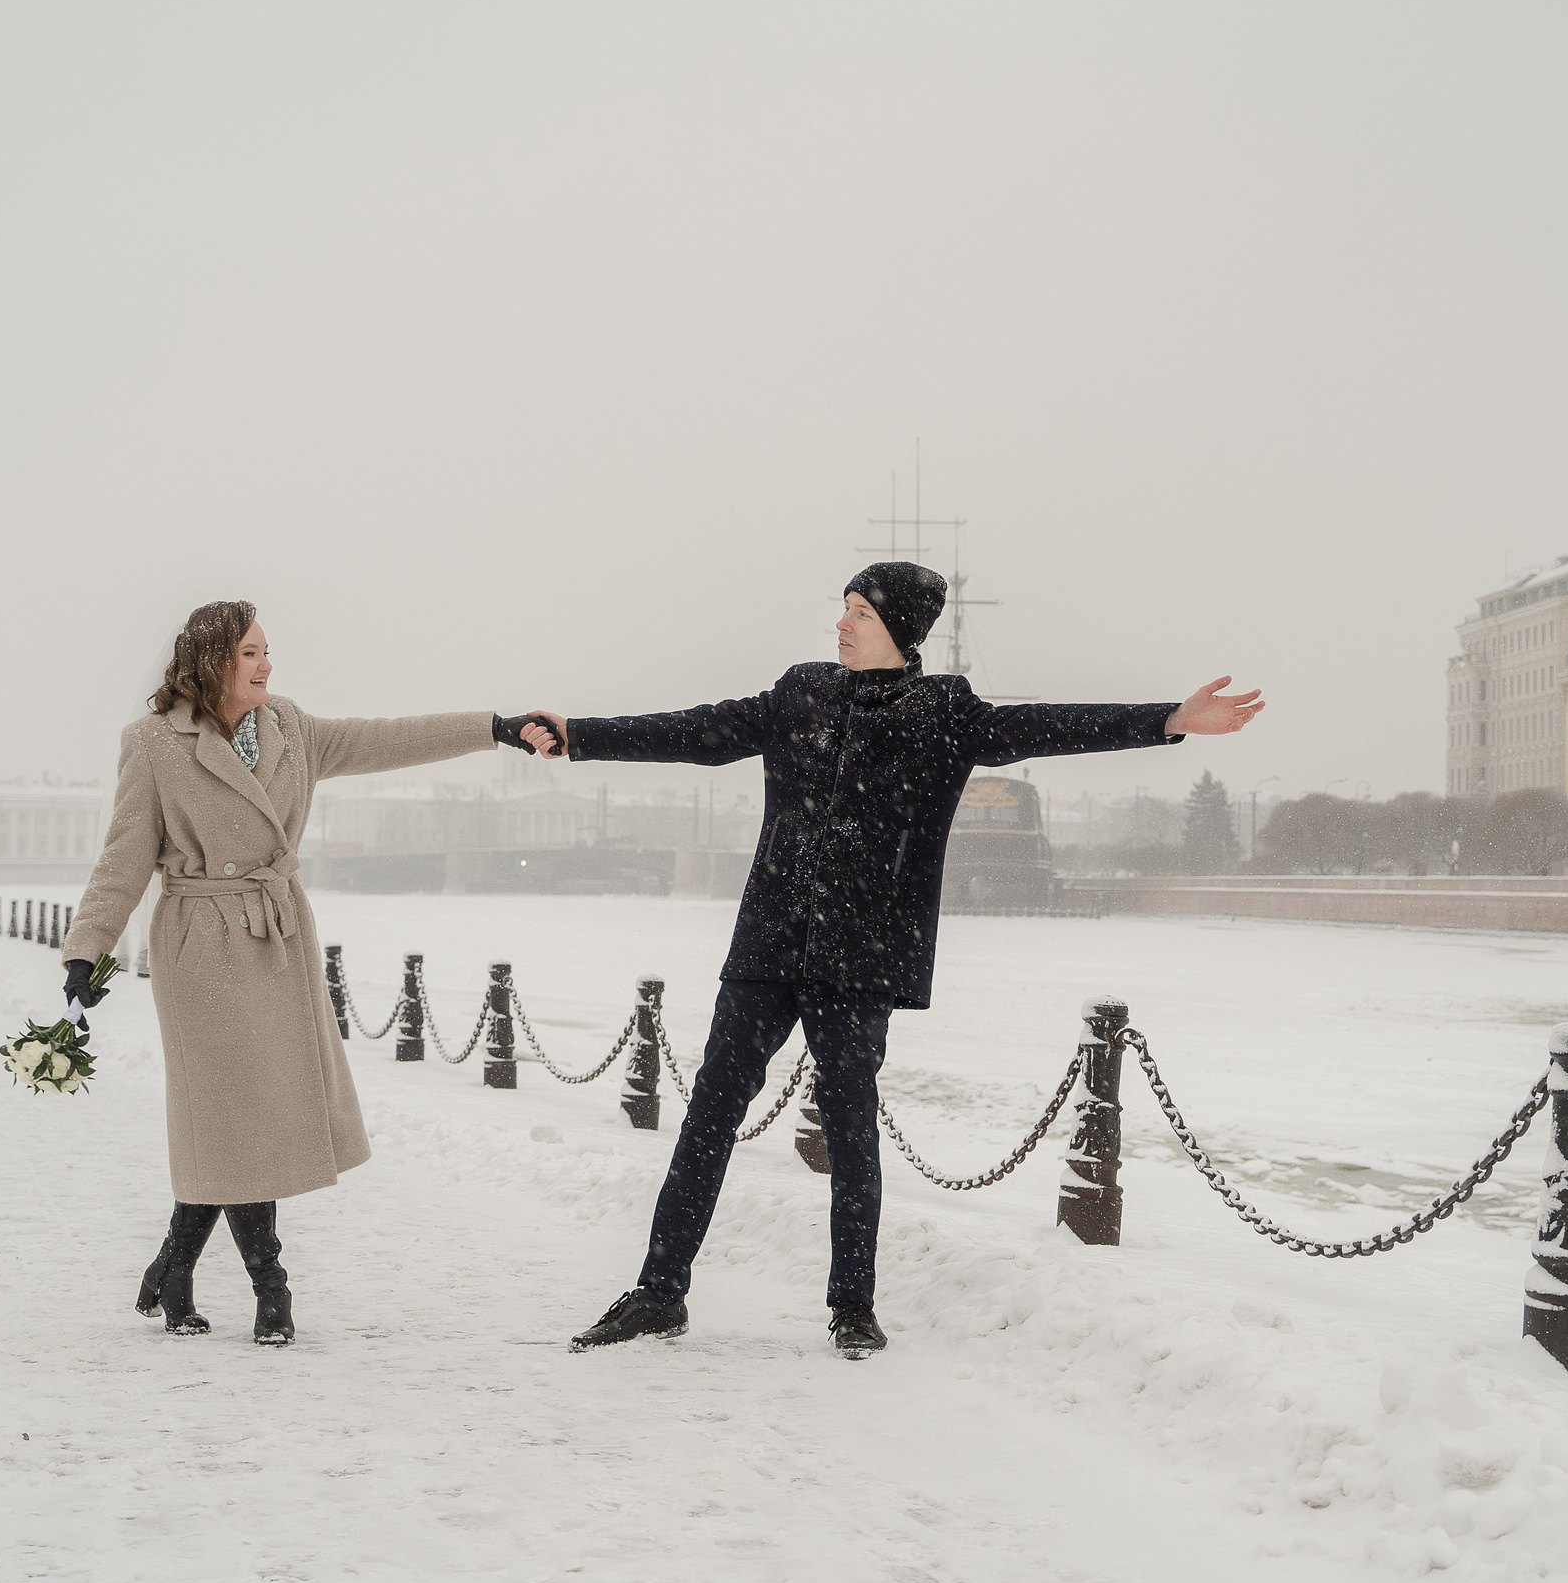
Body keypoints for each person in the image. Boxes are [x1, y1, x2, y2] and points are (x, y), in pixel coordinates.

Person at [516, 561, 1263, 1359]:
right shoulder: (800, 693)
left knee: (850, 1128)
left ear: (900, 630)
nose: (842, 624)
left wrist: (1167, 719)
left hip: (861, 955)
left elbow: (1045, 725)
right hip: (769, 941)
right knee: (709, 1114)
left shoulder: (943, 712)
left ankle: (852, 1307)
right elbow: (697, 733)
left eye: (861, 614)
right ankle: (659, 1292)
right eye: (842, 609)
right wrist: (580, 736)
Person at [64, 600, 553, 1345]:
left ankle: (175, 1267)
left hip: (276, 937)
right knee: (232, 1117)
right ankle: (272, 1288)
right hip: (200, 945)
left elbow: (390, 739)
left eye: (266, 651)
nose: (267, 664)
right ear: (213, 661)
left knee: (244, 1119)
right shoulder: (155, 743)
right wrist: (87, 948)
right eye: (251, 653)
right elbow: (125, 854)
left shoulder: (291, 728)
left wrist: (493, 728)